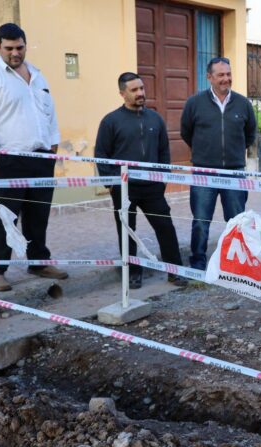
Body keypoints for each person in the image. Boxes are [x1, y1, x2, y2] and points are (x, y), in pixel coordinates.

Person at [0, 23, 68, 291]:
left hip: (41, 157)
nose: (15, 53)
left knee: (38, 215)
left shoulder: (37, 75)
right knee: (4, 216)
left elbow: (50, 116)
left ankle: (38, 262)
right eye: (9, 48)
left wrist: (53, 151)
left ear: (26, 45)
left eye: (19, 47)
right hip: (9, 158)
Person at [95, 72, 188, 290]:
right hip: (124, 187)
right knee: (127, 231)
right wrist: (111, 183)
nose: (140, 93)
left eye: (142, 89)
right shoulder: (110, 121)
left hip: (152, 187)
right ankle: (133, 274)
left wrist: (163, 178)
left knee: (165, 227)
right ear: (122, 93)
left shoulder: (155, 119)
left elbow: (164, 151)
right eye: (134, 90)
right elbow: (101, 154)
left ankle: (175, 271)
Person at [180, 57, 257, 270]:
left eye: (228, 74)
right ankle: (198, 262)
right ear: (209, 77)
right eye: (221, 75)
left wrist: (233, 155)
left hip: (234, 172)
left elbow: (249, 135)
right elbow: (186, 133)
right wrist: (204, 155)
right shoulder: (194, 104)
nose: (226, 79)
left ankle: (236, 262)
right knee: (201, 221)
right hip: (204, 172)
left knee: (236, 221)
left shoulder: (243, 104)